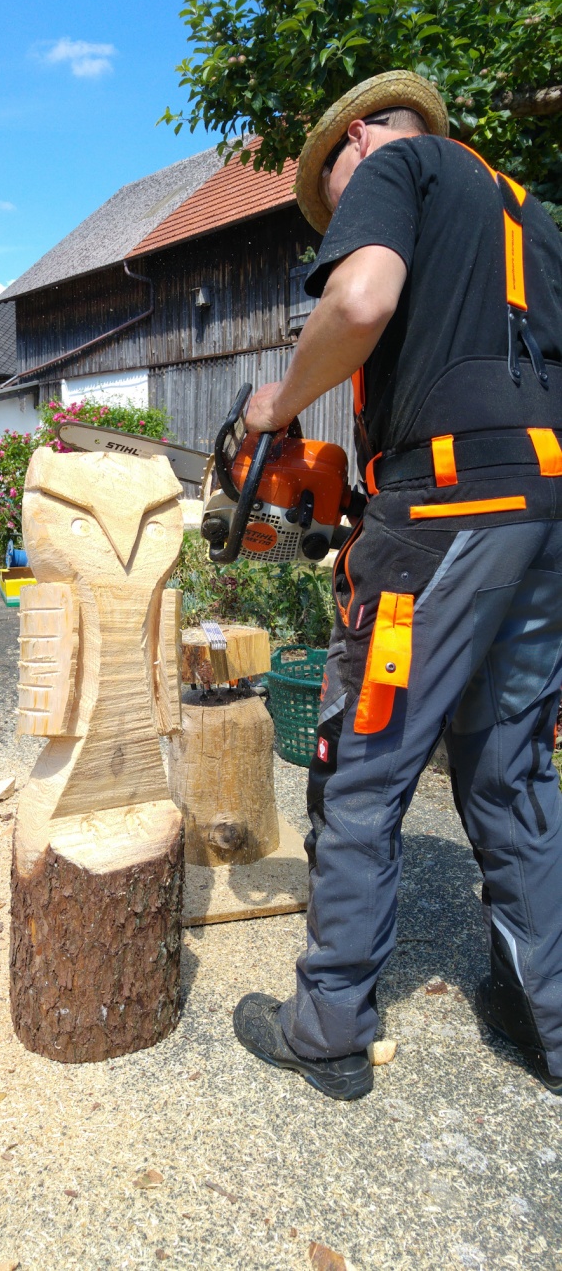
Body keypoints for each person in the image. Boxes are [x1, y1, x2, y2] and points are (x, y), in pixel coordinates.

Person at [232, 70, 562, 1101]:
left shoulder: (398, 165)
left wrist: (273, 403)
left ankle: (328, 1022)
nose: (337, 208)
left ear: (359, 138)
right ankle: (543, 1007)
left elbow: (362, 297)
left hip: (445, 509)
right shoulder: (531, 216)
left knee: (365, 760)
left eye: (333, 193)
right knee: (511, 770)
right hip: (542, 509)